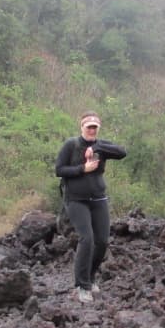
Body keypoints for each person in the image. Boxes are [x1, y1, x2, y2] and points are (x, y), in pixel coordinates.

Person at [55, 112, 127, 303]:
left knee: (102, 241)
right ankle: (81, 286)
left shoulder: (101, 147)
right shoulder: (71, 144)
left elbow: (122, 152)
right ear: (82, 127)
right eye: (89, 127)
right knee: (87, 239)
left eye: (95, 127)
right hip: (76, 200)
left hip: (98, 199)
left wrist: (96, 146)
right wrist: (82, 169)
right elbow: (59, 170)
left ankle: (91, 277)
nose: (92, 130)